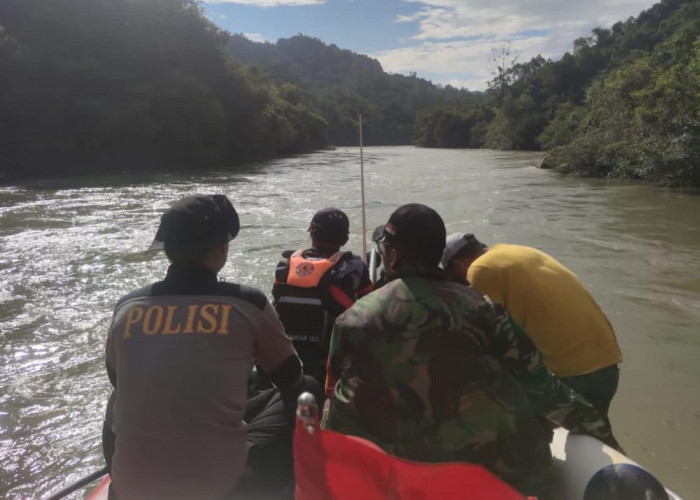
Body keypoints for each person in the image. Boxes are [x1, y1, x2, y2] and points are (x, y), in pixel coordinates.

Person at [323, 203, 622, 498]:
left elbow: (334, 393)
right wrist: (601, 432)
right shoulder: (485, 310)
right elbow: (544, 388)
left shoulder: (352, 319)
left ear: (394, 254)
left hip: (405, 476)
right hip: (496, 475)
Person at [104, 194, 314, 499]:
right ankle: (287, 478)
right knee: (308, 389)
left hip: (129, 487)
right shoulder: (247, 303)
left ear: (169, 250)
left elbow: (117, 379)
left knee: (117, 397)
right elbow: (290, 377)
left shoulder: (127, 307)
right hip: (220, 486)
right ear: (220, 249)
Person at [441, 234, 622, 416]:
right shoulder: (519, 252)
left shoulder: (480, 270)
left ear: (457, 265)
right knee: (597, 434)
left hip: (572, 375)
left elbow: (482, 336)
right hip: (606, 362)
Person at [272, 207, 372, 387]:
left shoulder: (286, 266)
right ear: (345, 239)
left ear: (312, 234)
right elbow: (371, 302)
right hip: (328, 362)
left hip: (287, 358)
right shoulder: (355, 266)